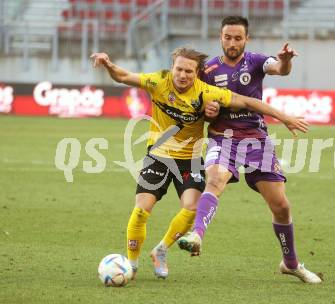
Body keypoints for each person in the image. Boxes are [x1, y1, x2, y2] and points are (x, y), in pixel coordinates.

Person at [90, 47, 308, 279]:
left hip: (190, 159)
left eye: (189, 71)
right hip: (158, 155)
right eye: (179, 69)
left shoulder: (206, 92)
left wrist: (284, 118)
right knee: (142, 210)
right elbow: (124, 77)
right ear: (172, 67)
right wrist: (108, 65)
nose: (183, 75)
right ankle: (131, 265)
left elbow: (247, 102)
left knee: (192, 209)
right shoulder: (158, 81)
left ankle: (161, 250)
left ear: (197, 73)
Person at [177, 16, 321, 284]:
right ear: (220, 38)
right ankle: (196, 235)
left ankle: (290, 263)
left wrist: (286, 59)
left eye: (238, 38)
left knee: (281, 206)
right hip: (222, 139)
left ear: (246, 39)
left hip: (256, 140)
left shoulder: (255, 61)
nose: (232, 43)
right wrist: (208, 113)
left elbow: (279, 68)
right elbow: (201, 111)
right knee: (215, 179)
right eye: (228, 37)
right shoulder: (206, 70)